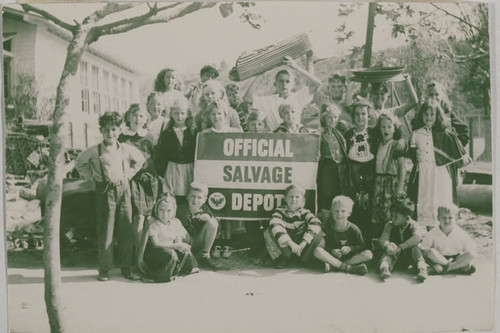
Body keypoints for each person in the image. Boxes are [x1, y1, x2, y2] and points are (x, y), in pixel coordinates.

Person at [75, 112, 145, 281]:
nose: (110, 133)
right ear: (101, 131)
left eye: (114, 129)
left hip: (124, 189)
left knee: (126, 229)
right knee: (106, 230)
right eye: (106, 130)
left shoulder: (126, 149)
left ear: (120, 130)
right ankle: (105, 268)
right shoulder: (93, 151)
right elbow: (79, 163)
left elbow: (140, 161)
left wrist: (128, 174)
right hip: (105, 191)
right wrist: (93, 178)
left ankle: (126, 266)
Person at [407, 101, 471, 229]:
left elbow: (458, 153)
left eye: (432, 114)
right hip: (423, 173)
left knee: (441, 200)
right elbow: (412, 154)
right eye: (426, 114)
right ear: (421, 116)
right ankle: (430, 231)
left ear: (438, 116)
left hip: (440, 174)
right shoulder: (416, 133)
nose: (429, 117)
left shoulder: (444, 133)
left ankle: (444, 231)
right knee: (425, 201)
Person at [244, 56, 321, 131]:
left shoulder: (298, 97)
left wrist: (295, 67)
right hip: (276, 139)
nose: (284, 84)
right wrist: (259, 76)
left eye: (287, 81)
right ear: (275, 84)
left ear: (293, 84)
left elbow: (317, 84)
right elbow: (247, 98)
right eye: (281, 81)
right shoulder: (268, 100)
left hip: (295, 137)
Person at [137, 194, 199, 283]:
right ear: (156, 210)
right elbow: (156, 244)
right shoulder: (154, 225)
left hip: (170, 251)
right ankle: (155, 277)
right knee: (171, 254)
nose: (165, 214)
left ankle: (184, 269)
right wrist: (175, 246)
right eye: (161, 210)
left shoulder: (175, 223)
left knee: (185, 250)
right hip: (156, 253)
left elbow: (178, 241)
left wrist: (181, 246)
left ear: (174, 210)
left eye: (169, 210)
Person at [263, 184, 323, 268]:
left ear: (303, 201)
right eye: (291, 196)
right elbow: (275, 222)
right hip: (287, 244)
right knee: (270, 230)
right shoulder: (280, 211)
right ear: (285, 198)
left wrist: (303, 243)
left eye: (297, 197)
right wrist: (290, 243)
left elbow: (316, 223)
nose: (294, 199)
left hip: (301, 244)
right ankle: (284, 257)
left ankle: (305, 259)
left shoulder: (305, 212)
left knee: (319, 232)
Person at [342, 100, 378, 242]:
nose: (360, 117)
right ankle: (353, 242)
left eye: (363, 114)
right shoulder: (347, 133)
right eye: (357, 114)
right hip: (353, 172)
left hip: (370, 171)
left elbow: (395, 129)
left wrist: (399, 140)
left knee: (368, 208)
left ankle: (368, 242)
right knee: (353, 206)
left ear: (369, 115)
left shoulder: (374, 132)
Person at [314, 196, 373, 275]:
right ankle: (348, 268)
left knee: (368, 254)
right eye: (336, 211)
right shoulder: (327, 228)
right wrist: (332, 250)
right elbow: (324, 246)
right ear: (332, 211)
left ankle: (335, 267)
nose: (339, 214)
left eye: (343, 211)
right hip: (333, 258)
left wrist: (350, 248)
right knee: (317, 250)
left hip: (350, 258)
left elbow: (362, 246)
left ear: (349, 213)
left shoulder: (354, 229)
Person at [371, 113, 407, 239]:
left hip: (391, 183)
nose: (386, 130)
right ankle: (378, 240)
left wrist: (400, 188)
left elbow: (402, 168)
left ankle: (393, 239)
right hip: (379, 182)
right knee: (378, 212)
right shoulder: (378, 144)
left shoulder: (396, 145)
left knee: (390, 213)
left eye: (389, 127)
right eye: (383, 127)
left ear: (394, 128)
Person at [154, 96, 196, 201]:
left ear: (187, 114)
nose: (179, 116)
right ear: (171, 114)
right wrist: (160, 173)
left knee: (188, 194)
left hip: (188, 168)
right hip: (173, 169)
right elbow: (161, 154)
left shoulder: (193, 132)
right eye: (176, 113)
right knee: (173, 195)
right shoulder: (167, 133)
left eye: (182, 113)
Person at [378, 196, 428, 282]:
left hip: (409, 258)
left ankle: (422, 268)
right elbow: (383, 239)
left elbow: (416, 238)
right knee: (390, 247)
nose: (392, 219)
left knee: (415, 248)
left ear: (406, 217)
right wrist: (388, 246)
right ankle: (384, 268)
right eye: (392, 215)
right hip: (394, 256)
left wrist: (401, 247)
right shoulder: (389, 225)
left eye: (395, 217)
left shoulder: (414, 225)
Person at [419, 204, 476, 275]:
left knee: (471, 254)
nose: (447, 220)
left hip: (456, 258)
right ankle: (457, 268)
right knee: (430, 252)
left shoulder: (460, 232)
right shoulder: (433, 232)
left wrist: (469, 262)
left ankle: (446, 269)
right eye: (444, 218)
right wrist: (432, 264)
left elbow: (469, 248)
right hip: (439, 259)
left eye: (450, 218)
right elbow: (423, 249)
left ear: (455, 218)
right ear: (438, 218)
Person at [175, 182, 220, 270]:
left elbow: (214, 227)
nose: (195, 200)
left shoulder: (205, 209)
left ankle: (205, 255)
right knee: (175, 222)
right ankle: (181, 256)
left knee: (213, 222)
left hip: (199, 240)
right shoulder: (180, 209)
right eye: (193, 196)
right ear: (187, 196)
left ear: (204, 199)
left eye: (199, 197)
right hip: (185, 240)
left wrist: (207, 217)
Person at [316, 104, 350, 213]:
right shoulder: (320, 134)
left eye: (335, 117)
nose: (333, 120)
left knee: (340, 194)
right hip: (326, 169)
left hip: (339, 169)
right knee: (326, 194)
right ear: (324, 118)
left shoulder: (339, 132)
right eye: (330, 117)